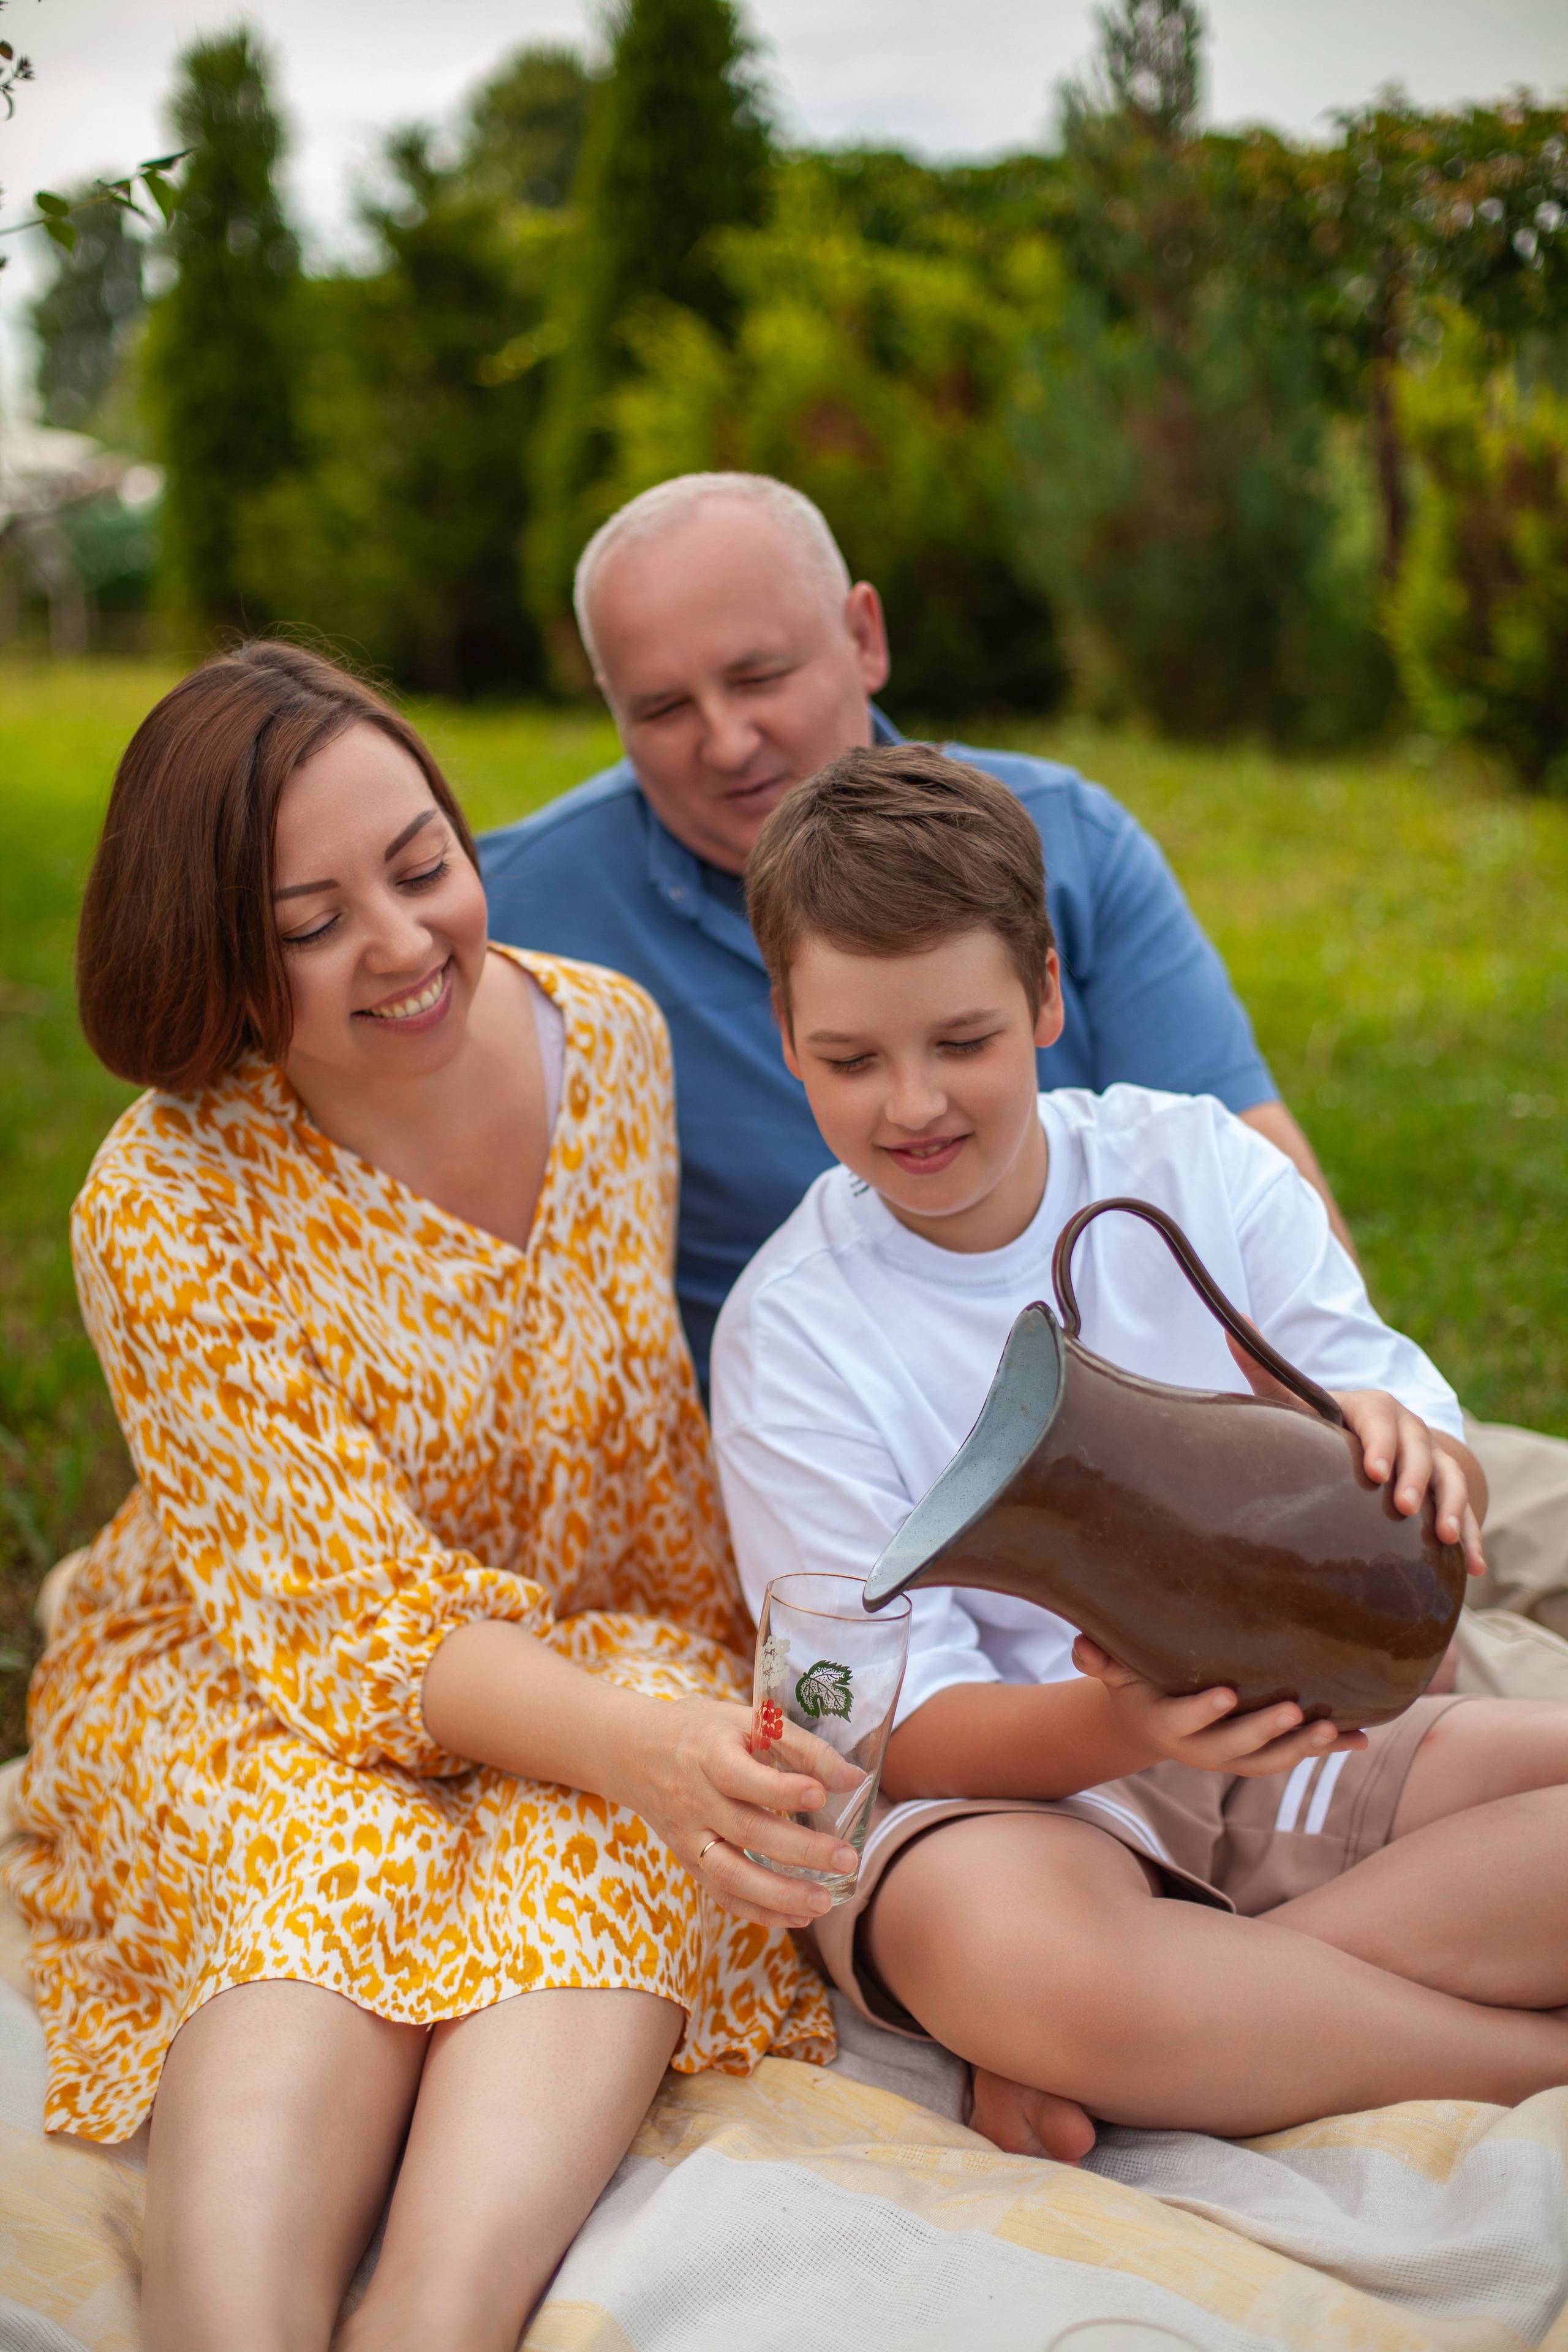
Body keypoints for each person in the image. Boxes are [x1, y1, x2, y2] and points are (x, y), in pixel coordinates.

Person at [7, 644, 843, 2352]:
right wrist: (636, 1741)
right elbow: (337, 1627)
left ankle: (435, 2322)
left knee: (631, 1831)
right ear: (220, 966)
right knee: (334, 1856)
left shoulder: (605, 1040)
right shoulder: (164, 1198)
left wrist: (703, 1708)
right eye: (311, 924)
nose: (401, 944)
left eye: (421, 867)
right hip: (259, 1663)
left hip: (600, 1641)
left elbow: (643, 1458)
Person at [478, 468, 1568, 1630]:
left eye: (761, 676)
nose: (727, 738)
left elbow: (1262, 1177)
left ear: (864, 636)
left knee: (1480, 1539)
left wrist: (1334, 1440)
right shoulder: (519, 912)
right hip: (917, 1511)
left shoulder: (1067, 838)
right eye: (661, 708)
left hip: (1230, 1427)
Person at [712, 743, 1568, 2159]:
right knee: (1021, 1963)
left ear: (1047, 995)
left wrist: (1418, 1468)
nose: (911, 1104)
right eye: (850, 1059)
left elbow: (1408, 1426)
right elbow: (894, 1732)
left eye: (963, 1041)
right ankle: (1506, 2059)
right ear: (785, 1034)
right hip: (1014, 1797)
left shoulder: (1192, 1169)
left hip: (1289, 1727)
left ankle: (1166, 2039)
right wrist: (1122, 1728)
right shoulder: (792, 1330)